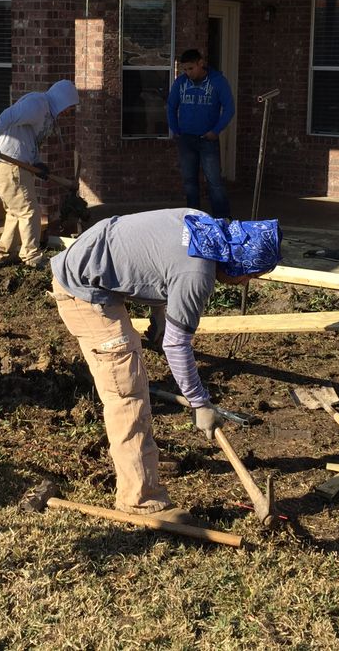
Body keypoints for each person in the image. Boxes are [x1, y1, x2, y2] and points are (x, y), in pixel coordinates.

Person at [51, 209, 280, 522]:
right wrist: (200, 403)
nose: (244, 283)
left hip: (94, 261)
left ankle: (143, 465)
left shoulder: (203, 225)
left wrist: (160, 315)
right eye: (250, 277)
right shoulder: (197, 275)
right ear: (241, 264)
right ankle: (140, 500)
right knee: (126, 392)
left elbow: (156, 257)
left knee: (132, 379)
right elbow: (176, 344)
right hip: (82, 288)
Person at [0, 79, 78, 268]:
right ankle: (32, 257)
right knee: (29, 211)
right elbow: (7, 115)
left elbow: (27, 138)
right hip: (7, 163)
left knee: (16, 211)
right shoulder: (37, 104)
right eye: (69, 107)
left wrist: (36, 163)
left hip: (18, 164)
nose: (68, 112)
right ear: (62, 100)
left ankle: (4, 253)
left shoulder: (46, 112)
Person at [167, 49, 234, 218]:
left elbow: (229, 108)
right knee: (189, 181)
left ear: (201, 63)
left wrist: (216, 131)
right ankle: (195, 219)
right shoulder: (180, 83)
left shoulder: (218, 81)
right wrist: (176, 130)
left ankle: (222, 219)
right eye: (185, 70)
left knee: (214, 181)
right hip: (186, 138)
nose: (188, 73)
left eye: (191, 68)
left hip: (207, 139)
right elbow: (171, 106)